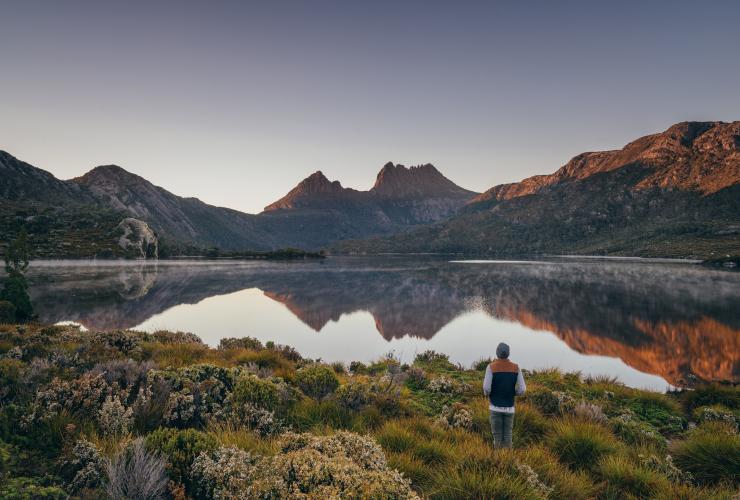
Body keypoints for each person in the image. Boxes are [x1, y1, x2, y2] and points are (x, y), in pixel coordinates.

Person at [482, 342, 526, 448]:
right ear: (508, 353)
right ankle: (508, 462)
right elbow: (522, 389)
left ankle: (498, 462)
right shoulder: (516, 368)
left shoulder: (491, 367)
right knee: (508, 437)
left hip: (495, 407)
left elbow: (486, 388)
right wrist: (513, 393)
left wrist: (488, 394)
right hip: (510, 408)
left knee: (497, 438)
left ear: (497, 353)